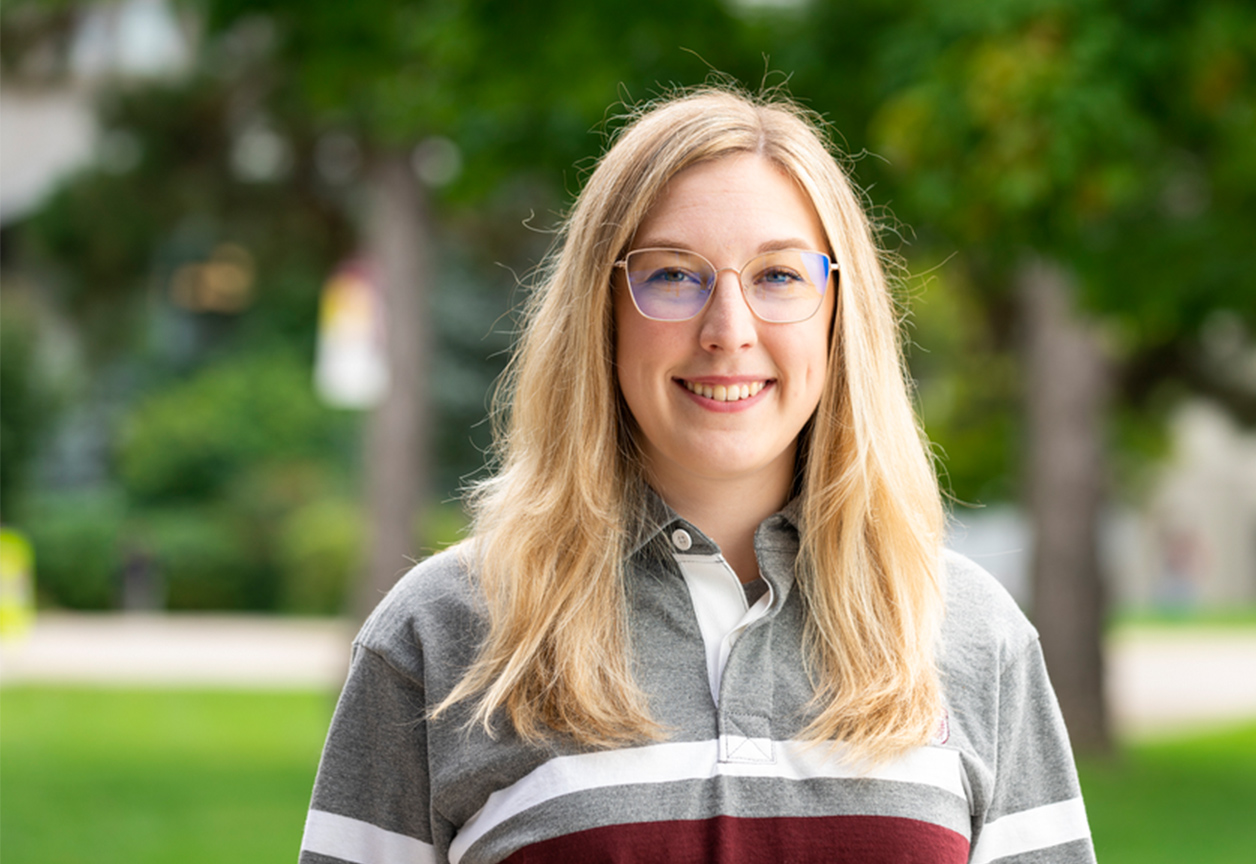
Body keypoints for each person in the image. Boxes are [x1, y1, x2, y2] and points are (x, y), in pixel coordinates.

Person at [299, 88, 1095, 864]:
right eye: (674, 275)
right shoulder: (442, 633)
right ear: (601, 310)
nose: (728, 331)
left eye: (779, 277)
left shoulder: (966, 631)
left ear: (837, 314)